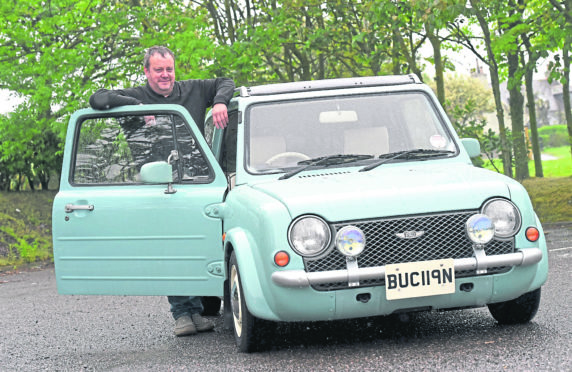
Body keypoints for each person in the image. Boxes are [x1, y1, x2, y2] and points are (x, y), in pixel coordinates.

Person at [89, 45, 235, 337]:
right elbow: (97, 98)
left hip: (196, 183)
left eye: (169, 69)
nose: (165, 75)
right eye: (158, 70)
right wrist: (140, 109)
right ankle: (183, 314)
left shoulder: (192, 90)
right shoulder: (135, 97)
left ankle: (201, 308)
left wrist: (219, 102)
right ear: (147, 72)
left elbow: (226, 82)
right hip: (157, 185)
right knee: (172, 247)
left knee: (199, 243)